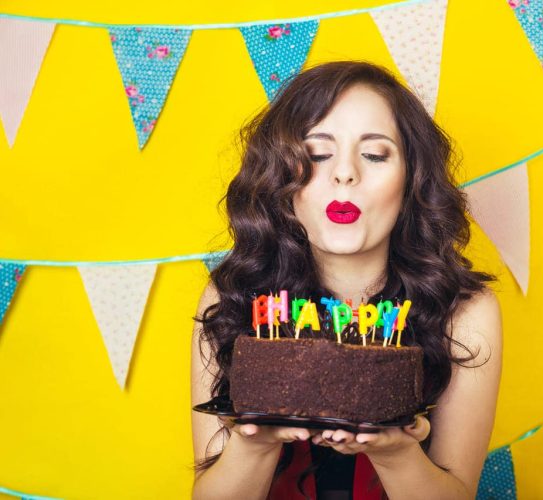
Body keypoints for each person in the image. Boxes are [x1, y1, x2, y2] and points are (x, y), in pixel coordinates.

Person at [190, 60, 503, 500]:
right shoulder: (234, 296)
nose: (345, 173)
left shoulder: (465, 310)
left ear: (412, 177)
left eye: (374, 154)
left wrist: (397, 454)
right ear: (281, 176)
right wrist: (253, 442)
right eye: (317, 154)